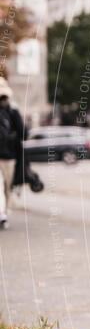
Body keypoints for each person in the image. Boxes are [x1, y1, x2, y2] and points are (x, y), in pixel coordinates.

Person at [0, 79, 25, 230]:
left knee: (7, 187)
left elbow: (23, 133)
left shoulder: (13, 113)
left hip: (9, 158)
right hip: (4, 157)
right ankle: (2, 213)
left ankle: (5, 213)